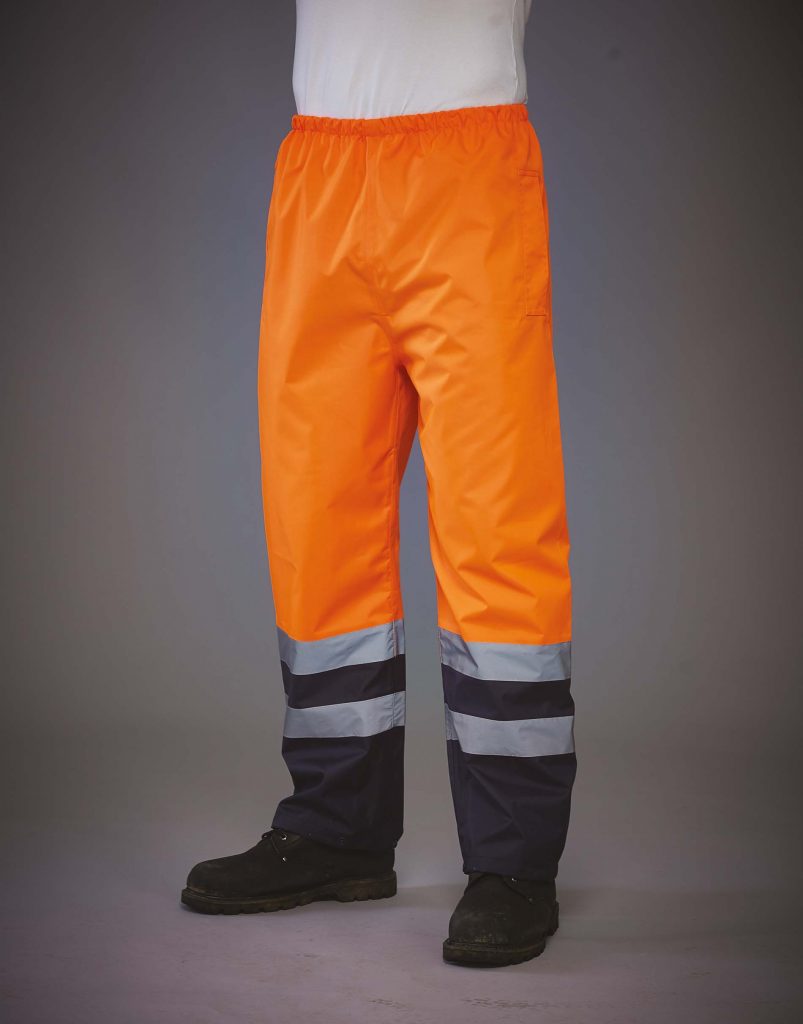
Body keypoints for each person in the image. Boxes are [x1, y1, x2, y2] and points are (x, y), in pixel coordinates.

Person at [181, 0, 576, 968]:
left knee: (494, 518)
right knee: (316, 517)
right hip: (318, 174)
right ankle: (337, 828)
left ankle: (514, 862)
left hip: (466, 173)